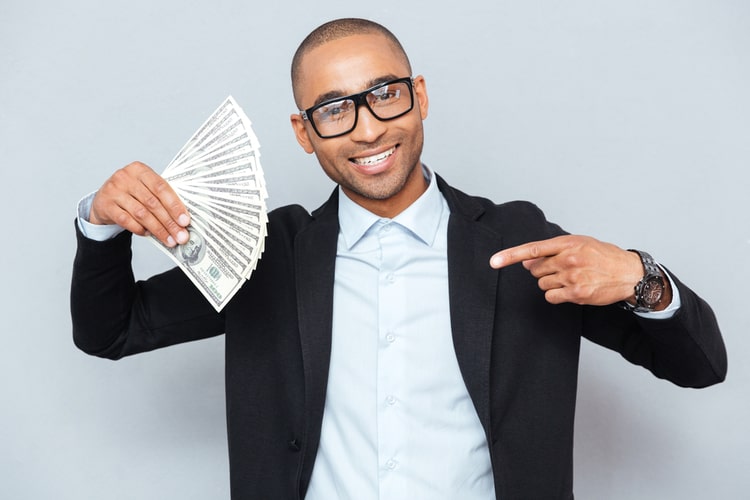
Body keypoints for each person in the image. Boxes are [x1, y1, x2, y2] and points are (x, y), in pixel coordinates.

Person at [70, 17, 727, 500]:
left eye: (385, 93)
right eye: (333, 109)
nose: (367, 127)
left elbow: (700, 366)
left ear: (420, 96)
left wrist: (643, 279)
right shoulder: (265, 257)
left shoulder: (516, 243)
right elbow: (111, 330)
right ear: (304, 133)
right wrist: (100, 223)